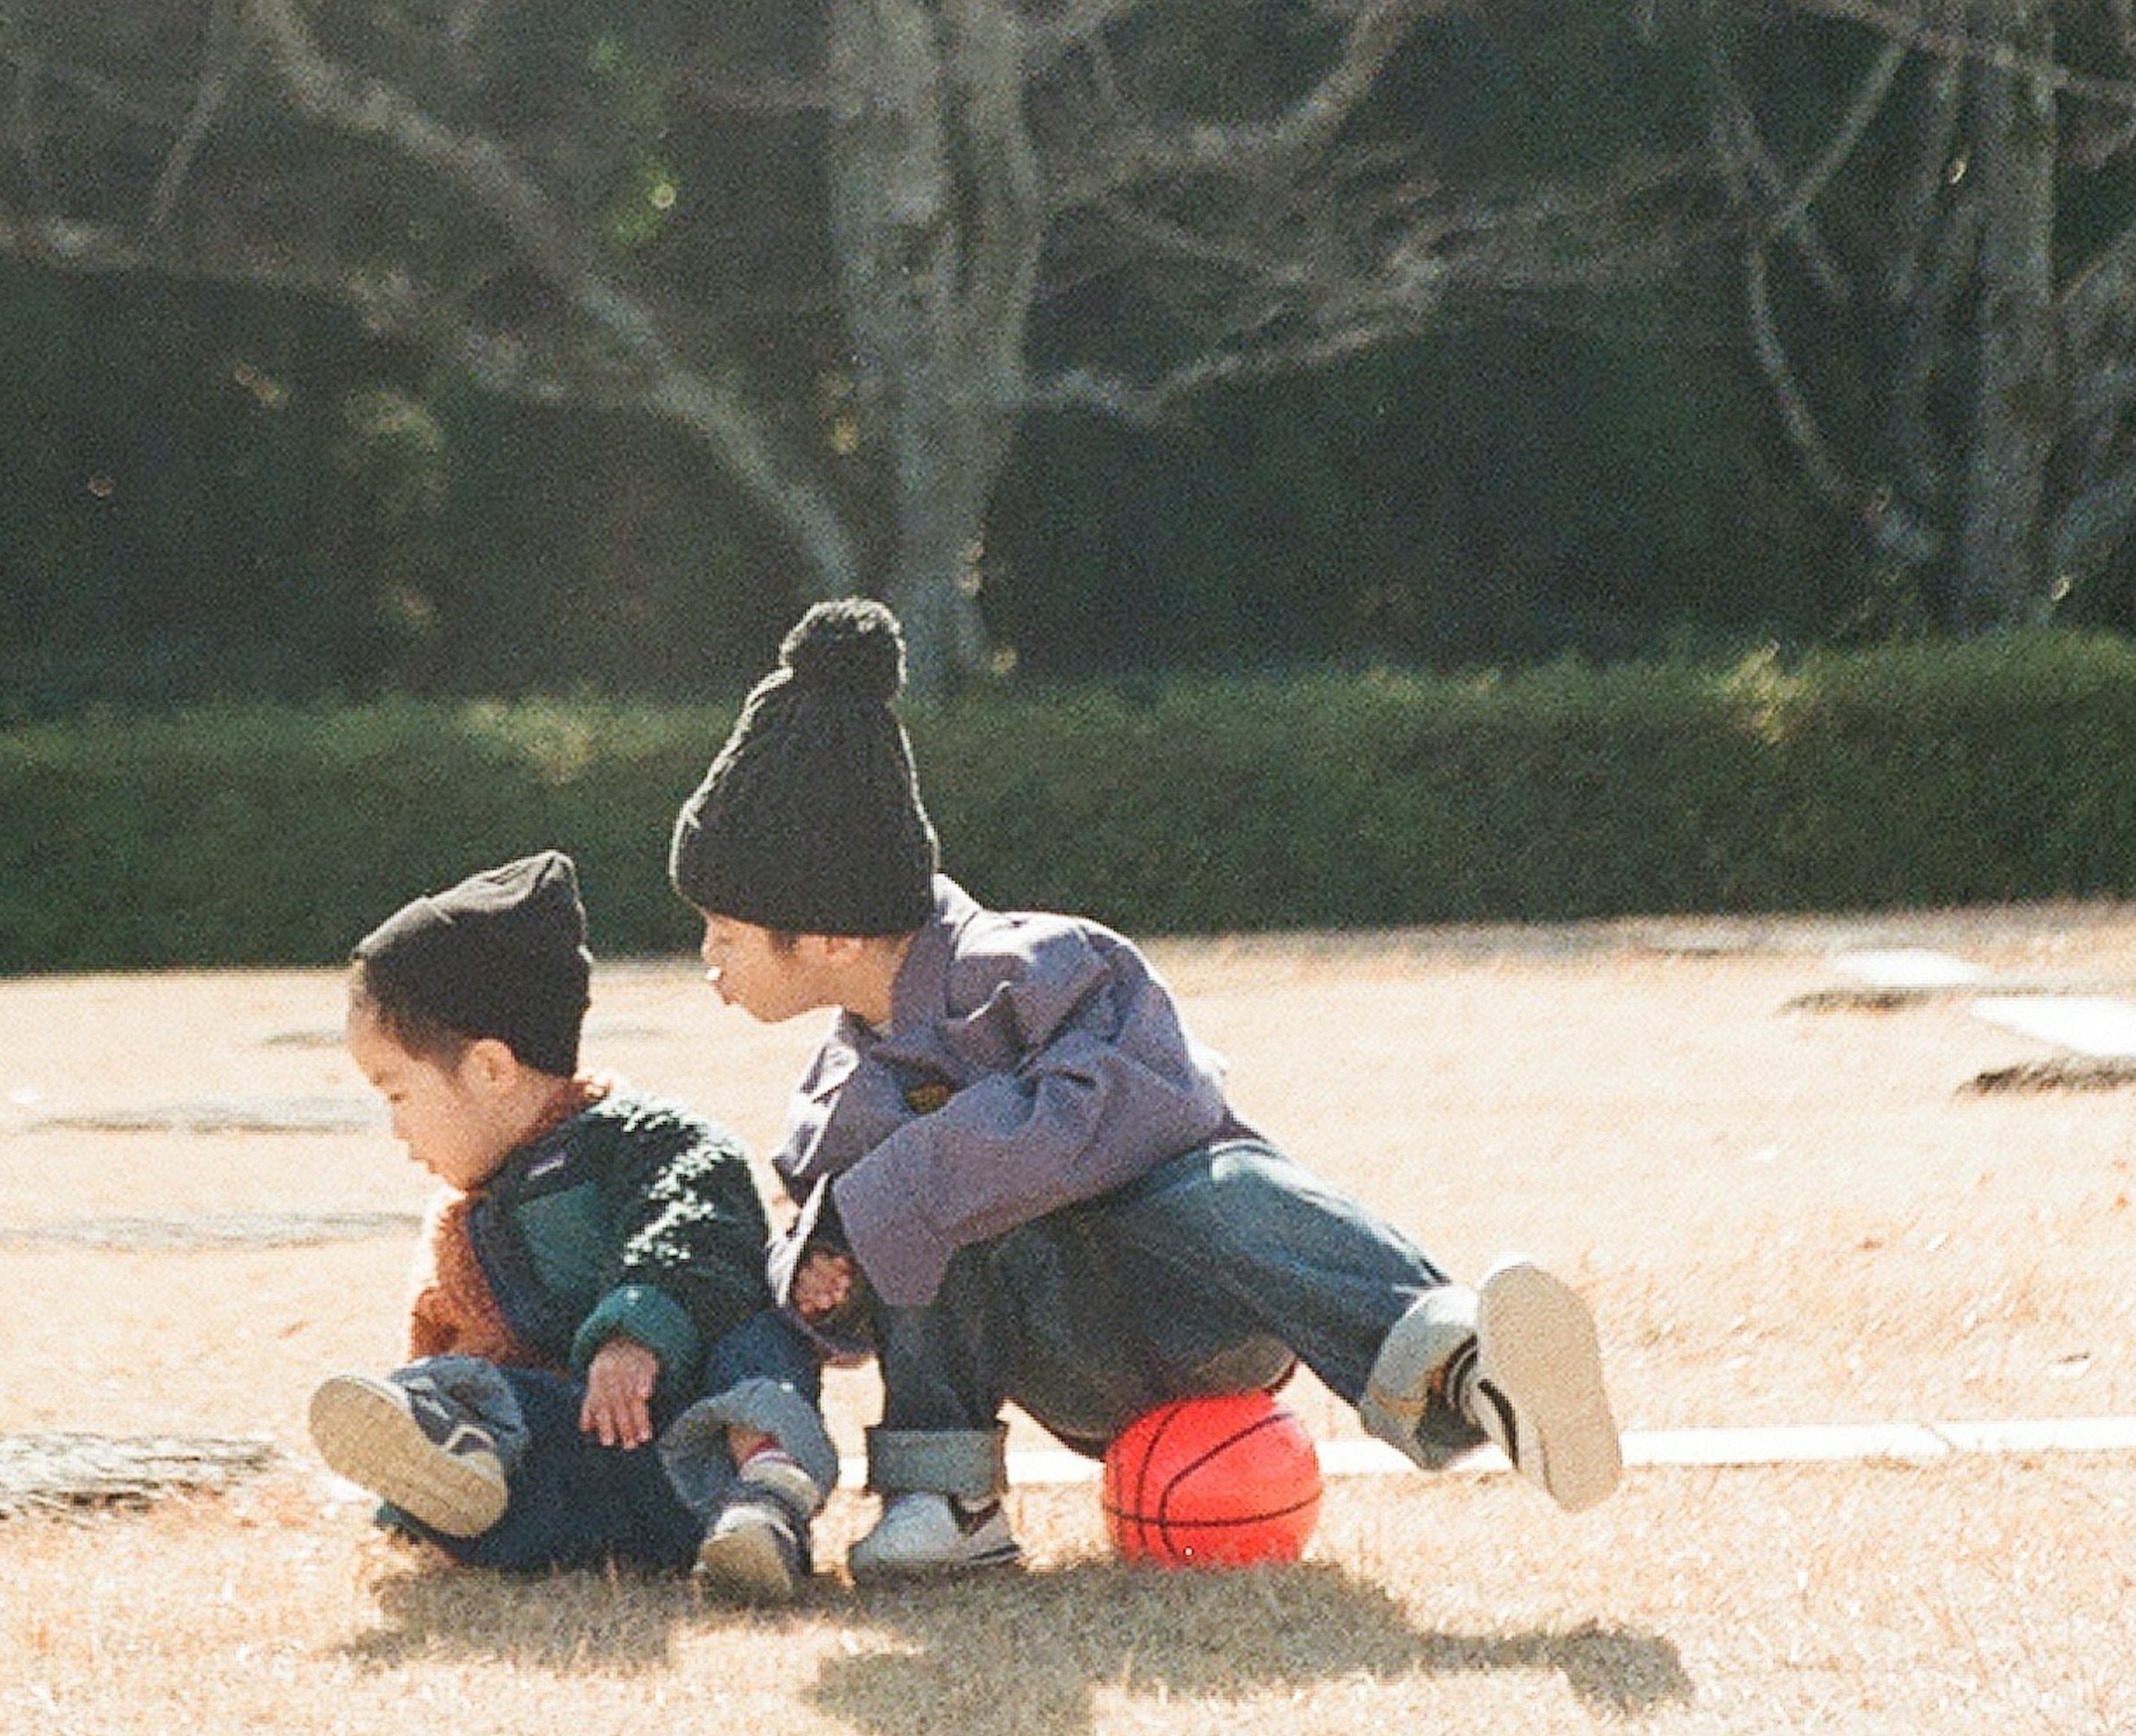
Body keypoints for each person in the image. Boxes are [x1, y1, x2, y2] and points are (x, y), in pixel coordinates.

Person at [671, 599, 1625, 1582]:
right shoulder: (833, 1092)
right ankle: (944, 1497)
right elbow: (838, 1269)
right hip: (1067, 1362)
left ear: (827, 933)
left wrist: (905, 1181)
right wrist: (827, 1276)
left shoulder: (1047, 963)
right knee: (900, 1215)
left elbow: (1137, 1103)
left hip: (1205, 1314)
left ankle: (1460, 1371)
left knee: (1207, 1175)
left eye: (725, 934)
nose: (709, 962)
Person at [306, 845, 838, 1602]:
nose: (396, 1130)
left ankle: (766, 1501)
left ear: (490, 1069)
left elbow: (695, 1213)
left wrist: (635, 1331)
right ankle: (456, 1462)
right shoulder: (467, 1224)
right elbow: (459, 1340)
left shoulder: (639, 1140)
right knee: (490, 1401)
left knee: (759, 1338)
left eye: (396, 1094)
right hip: (591, 1457)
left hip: (701, 1435)